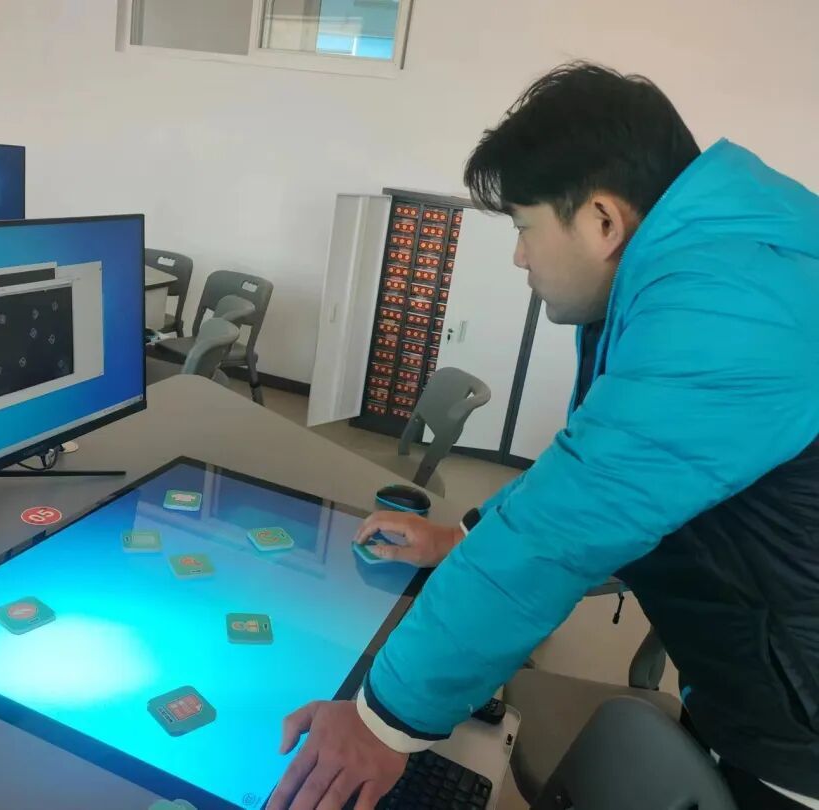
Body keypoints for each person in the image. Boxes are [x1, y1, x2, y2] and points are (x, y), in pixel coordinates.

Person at [267, 63, 819, 810]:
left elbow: (564, 529)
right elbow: (597, 471)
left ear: (602, 220)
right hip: (762, 665)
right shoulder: (729, 256)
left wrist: (379, 722)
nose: (520, 257)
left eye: (525, 228)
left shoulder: (733, 312)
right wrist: (466, 538)